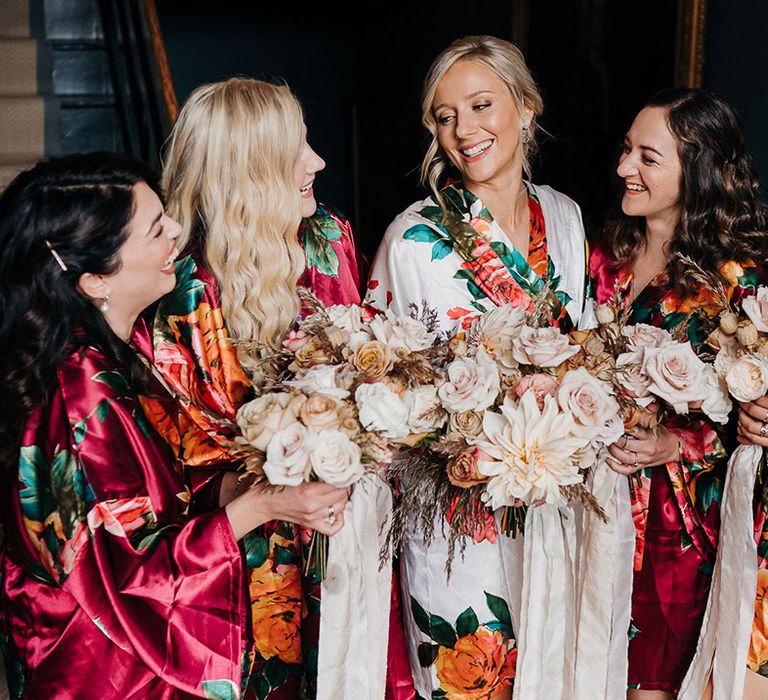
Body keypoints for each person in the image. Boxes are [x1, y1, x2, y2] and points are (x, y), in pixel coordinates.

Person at [0, 153, 349, 699]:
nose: (176, 235)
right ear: (95, 279)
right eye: (155, 230)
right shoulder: (79, 391)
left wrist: (248, 486)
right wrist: (262, 508)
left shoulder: (120, 349)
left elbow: (161, 492)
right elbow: (132, 571)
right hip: (105, 665)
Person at [153, 78, 413, 699]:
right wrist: (278, 490)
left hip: (349, 529)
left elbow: (368, 370)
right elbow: (170, 465)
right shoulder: (183, 290)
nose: (318, 162)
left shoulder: (328, 238)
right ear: (249, 170)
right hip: (247, 560)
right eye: (295, 150)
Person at [367, 35, 590, 698]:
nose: (463, 130)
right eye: (444, 116)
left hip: (557, 511)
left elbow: (583, 350)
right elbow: (378, 388)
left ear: (526, 107)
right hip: (458, 523)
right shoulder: (412, 239)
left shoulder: (568, 218)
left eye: (481, 104)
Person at [595, 88, 768, 699]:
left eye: (647, 157)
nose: (623, 169)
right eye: (625, 151)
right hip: (588, 509)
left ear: (695, 171)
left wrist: (677, 440)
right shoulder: (602, 260)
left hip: (678, 532)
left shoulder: (739, 285)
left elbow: (752, 419)